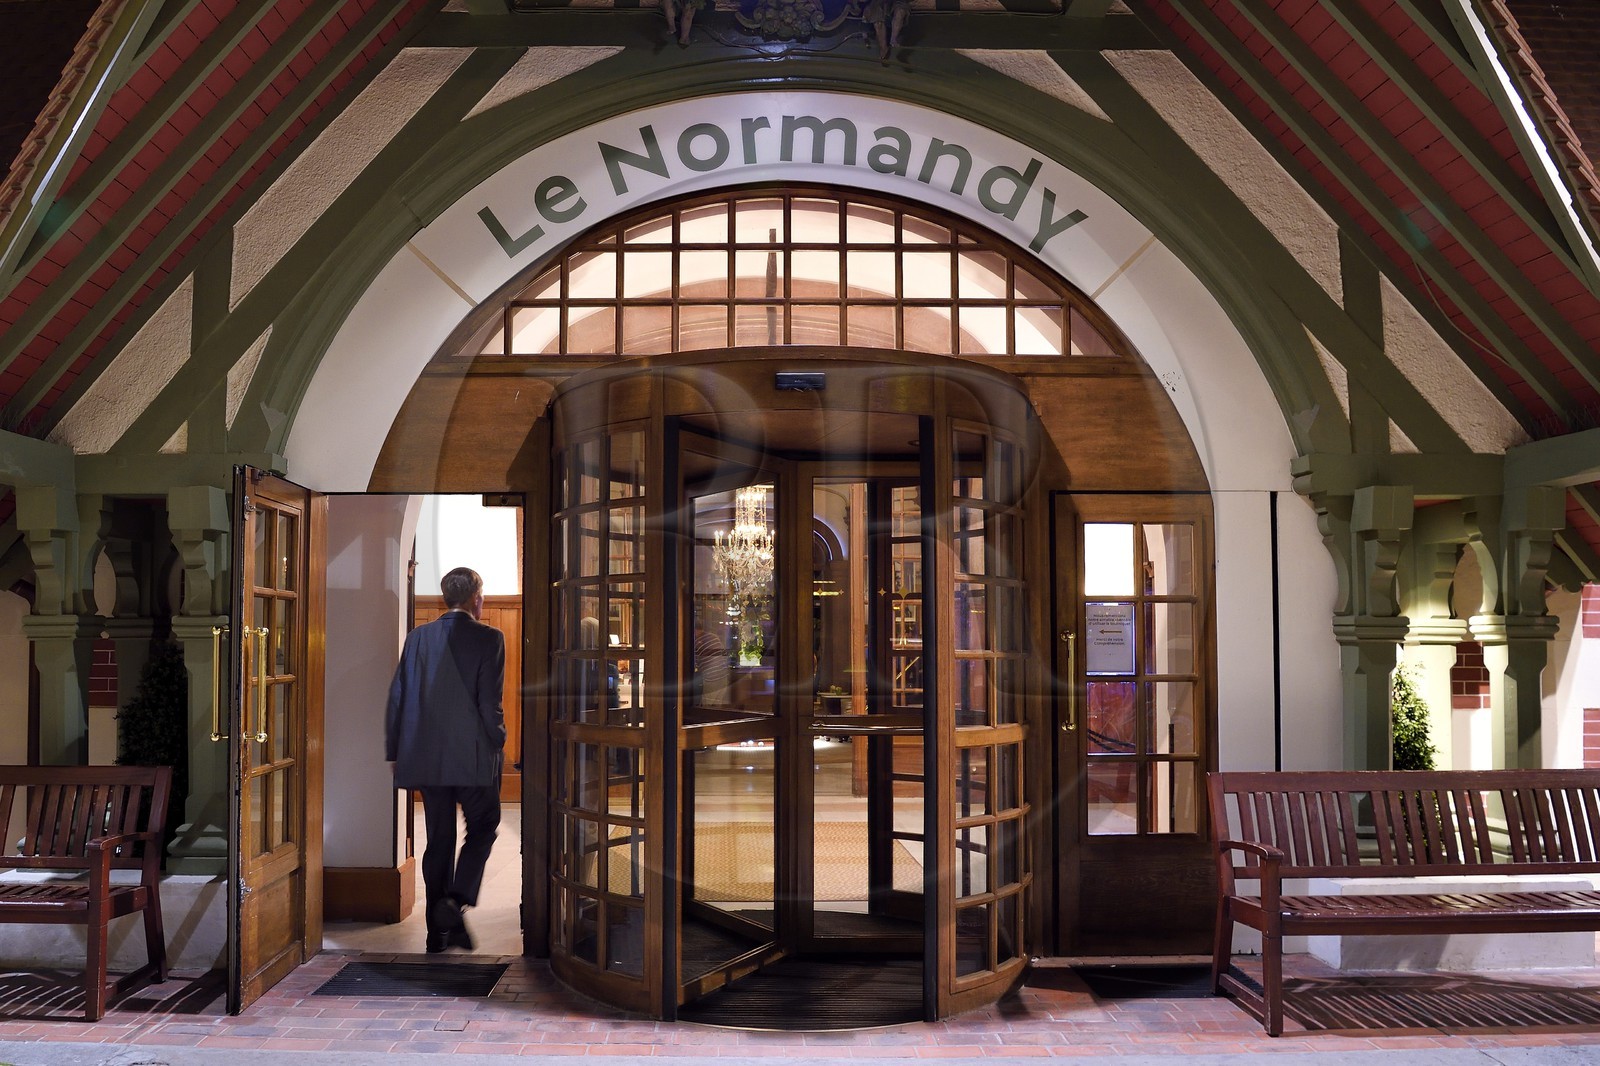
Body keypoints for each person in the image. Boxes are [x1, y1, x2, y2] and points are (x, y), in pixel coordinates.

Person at [385, 566, 506, 953]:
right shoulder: (490, 638)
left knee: (439, 839)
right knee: (483, 825)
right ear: (476, 599)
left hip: (427, 754)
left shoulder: (418, 638)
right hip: (473, 755)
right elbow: (489, 702)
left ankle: (437, 933)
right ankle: (454, 902)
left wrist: (396, 750)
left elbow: (398, 696)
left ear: (445, 598)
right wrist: (499, 740)